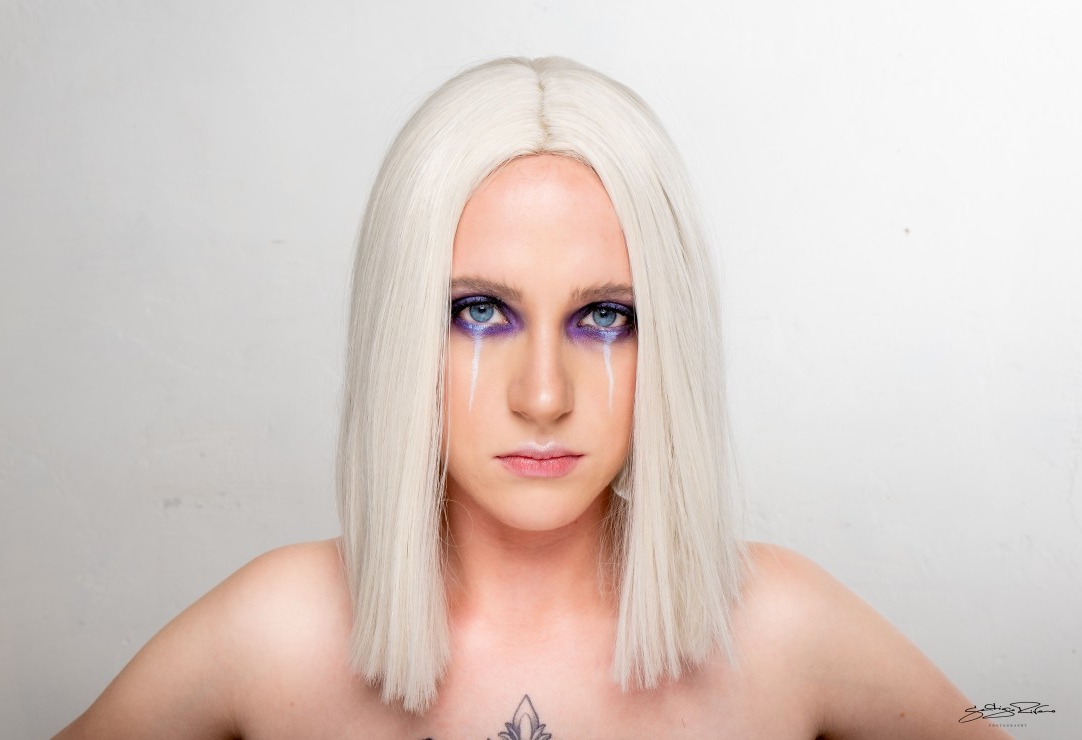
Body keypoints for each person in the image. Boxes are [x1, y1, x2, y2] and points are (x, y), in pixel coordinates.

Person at [54, 56, 1010, 739]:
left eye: (604, 317)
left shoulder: (785, 628)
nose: (543, 396)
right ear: (399, 335)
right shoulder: (274, 633)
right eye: (479, 311)